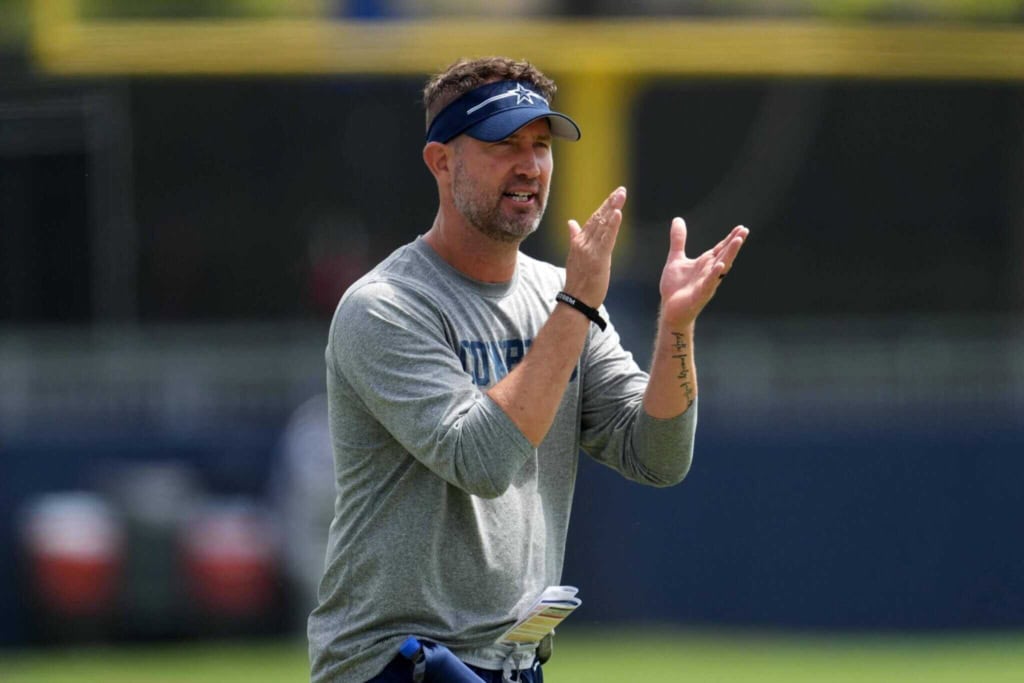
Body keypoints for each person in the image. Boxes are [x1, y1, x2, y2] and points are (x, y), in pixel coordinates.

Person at [308, 56, 748, 683]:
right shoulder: (385, 307)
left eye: (541, 146)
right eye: (504, 144)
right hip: (397, 662)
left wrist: (676, 327)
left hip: (513, 663)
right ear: (441, 161)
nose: (530, 165)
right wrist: (576, 304)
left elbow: (657, 456)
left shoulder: (558, 295)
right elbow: (481, 462)